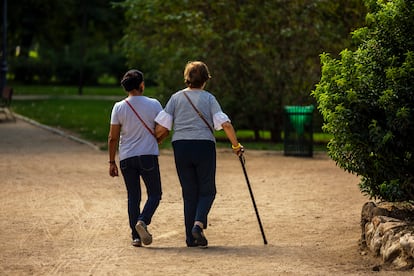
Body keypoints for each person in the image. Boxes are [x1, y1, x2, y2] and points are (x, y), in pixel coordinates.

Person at [155, 61, 243, 248]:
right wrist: (236, 146)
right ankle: (198, 224)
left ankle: (190, 238)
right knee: (208, 190)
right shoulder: (209, 99)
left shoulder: (176, 98)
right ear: (206, 79)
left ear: (186, 78)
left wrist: (151, 143)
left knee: (189, 193)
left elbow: (162, 128)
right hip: (204, 146)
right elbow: (225, 124)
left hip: (181, 146)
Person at [108, 69, 163, 247]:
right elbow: (163, 128)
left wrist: (111, 161)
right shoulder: (154, 104)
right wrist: (158, 139)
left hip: (126, 158)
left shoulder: (119, 107)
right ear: (142, 85)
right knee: (155, 193)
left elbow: (113, 137)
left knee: (133, 196)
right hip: (147, 155)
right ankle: (143, 220)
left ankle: (136, 237)